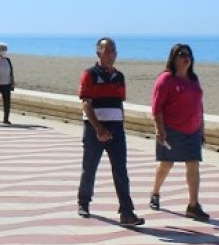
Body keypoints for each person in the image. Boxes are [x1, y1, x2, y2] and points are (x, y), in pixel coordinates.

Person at [76, 37, 145, 227]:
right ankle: (83, 202)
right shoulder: (89, 74)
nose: (111, 55)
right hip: (94, 130)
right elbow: (86, 104)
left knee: (121, 170)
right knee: (89, 168)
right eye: (107, 51)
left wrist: (120, 126)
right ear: (98, 52)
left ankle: (127, 212)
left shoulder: (119, 77)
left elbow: (119, 104)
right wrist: (98, 128)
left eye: (114, 51)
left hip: (116, 131)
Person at [150, 43, 209, 221]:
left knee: (193, 164)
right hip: (171, 130)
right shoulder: (165, 79)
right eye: (181, 54)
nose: (186, 58)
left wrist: (202, 129)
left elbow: (199, 106)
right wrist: (159, 129)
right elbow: (156, 108)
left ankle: (193, 205)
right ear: (173, 58)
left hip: (193, 131)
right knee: (166, 164)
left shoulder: (193, 79)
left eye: (188, 55)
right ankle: (155, 192)